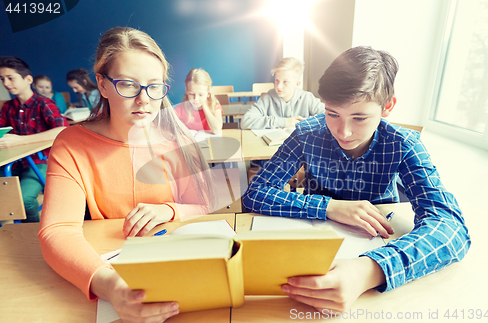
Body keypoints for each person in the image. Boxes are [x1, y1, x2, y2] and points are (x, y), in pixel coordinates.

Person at [242, 46, 471, 314]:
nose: (344, 131)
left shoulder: (404, 144)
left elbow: (451, 227)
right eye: (332, 113)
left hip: (378, 255)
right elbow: (255, 194)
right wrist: (329, 207)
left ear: (388, 107)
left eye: (360, 117)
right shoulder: (307, 133)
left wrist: (370, 270)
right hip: (313, 250)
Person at [39, 27, 216, 322]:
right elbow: (56, 230)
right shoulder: (72, 144)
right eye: (128, 85)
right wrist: (109, 285)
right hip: (105, 270)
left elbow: (205, 207)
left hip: (175, 272)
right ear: (103, 85)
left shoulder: (178, 140)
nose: (144, 99)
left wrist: (169, 210)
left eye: (154, 86)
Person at [0, 56, 68, 222]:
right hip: (14, 163)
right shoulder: (8, 107)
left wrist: (19, 141)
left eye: (11, 78)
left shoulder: (43, 103)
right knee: (6, 200)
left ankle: (31, 234)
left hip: (40, 161)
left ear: (28, 79)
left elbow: (63, 130)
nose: (6, 83)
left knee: (24, 200)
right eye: (2, 79)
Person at [241, 57, 325, 130]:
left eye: (285, 82)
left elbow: (327, 116)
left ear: (297, 84)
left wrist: (300, 123)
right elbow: (245, 121)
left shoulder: (307, 98)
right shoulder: (267, 98)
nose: (279, 86)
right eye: (277, 80)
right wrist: (285, 122)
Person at [174, 68, 223, 134]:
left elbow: (216, 130)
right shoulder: (181, 108)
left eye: (201, 95)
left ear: (208, 93)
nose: (196, 99)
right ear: (186, 90)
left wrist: (205, 106)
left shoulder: (214, 106)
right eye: (192, 94)